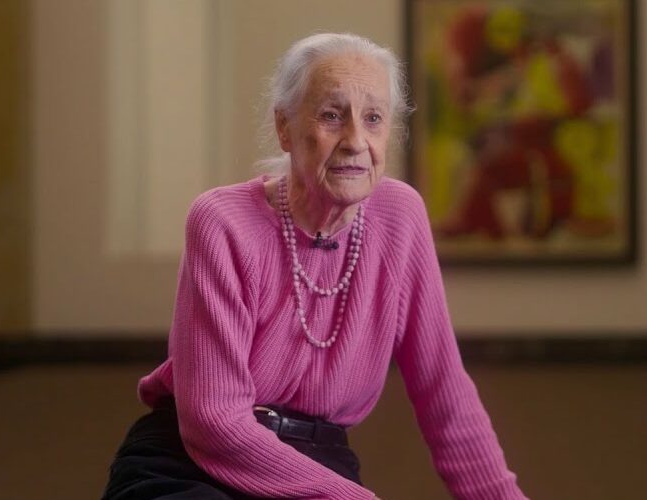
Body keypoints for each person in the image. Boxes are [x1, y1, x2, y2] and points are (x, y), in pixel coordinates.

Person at [102, 33, 528, 500]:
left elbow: (445, 395)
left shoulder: (400, 217)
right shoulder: (222, 222)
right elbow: (213, 421)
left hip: (319, 462)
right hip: (189, 463)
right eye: (331, 115)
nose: (356, 141)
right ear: (284, 127)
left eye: (373, 118)